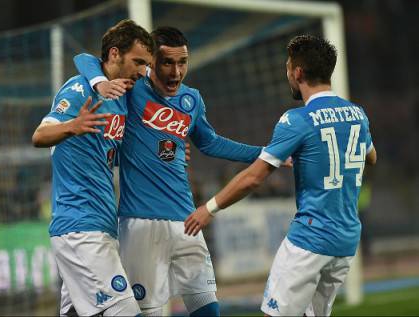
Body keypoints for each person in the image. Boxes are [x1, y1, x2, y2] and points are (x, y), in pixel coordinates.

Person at [74, 27, 273, 316]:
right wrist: (99, 83)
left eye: (183, 62)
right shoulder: (132, 89)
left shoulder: (192, 100)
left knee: (207, 307)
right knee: (148, 311)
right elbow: (84, 59)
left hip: (187, 221)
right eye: (167, 62)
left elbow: (211, 142)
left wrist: (265, 153)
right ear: (150, 62)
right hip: (142, 223)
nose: (176, 72)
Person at [184, 35, 377, 317]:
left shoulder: (297, 119)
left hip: (310, 239)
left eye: (288, 67)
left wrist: (209, 208)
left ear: (297, 72)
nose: (287, 74)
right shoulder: (357, 114)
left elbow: (254, 178)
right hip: (346, 241)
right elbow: (371, 157)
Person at [32, 19, 154, 317]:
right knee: (125, 311)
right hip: (78, 226)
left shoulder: (122, 99)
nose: (143, 71)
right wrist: (74, 125)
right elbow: (39, 135)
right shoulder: (79, 89)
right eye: (138, 62)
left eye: (146, 64)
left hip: (101, 223)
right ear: (114, 55)